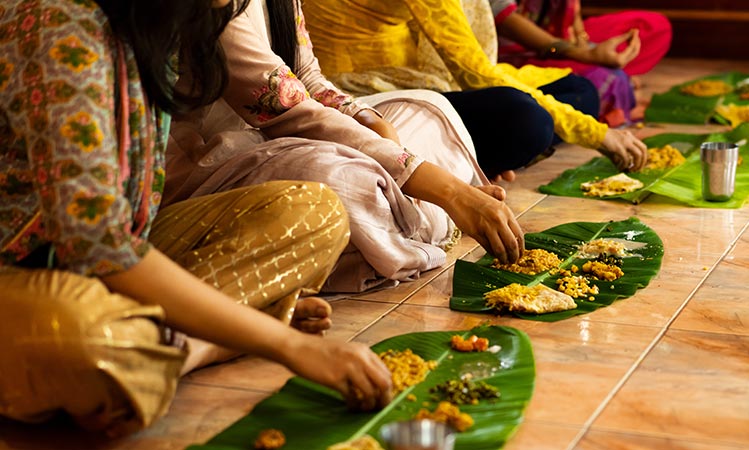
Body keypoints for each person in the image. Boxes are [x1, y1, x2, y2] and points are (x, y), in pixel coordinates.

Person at [0, 0, 391, 436]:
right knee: (87, 344)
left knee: (316, 211)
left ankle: (179, 340)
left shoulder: (158, 24)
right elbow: (95, 243)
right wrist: (287, 344)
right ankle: (214, 339)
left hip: (117, 262)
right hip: (24, 271)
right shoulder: (59, 18)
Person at [164, 0, 524, 293]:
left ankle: (396, 220)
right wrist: (450, 191)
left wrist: (368, 119)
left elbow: (307, 78)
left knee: (429, 109)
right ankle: (419, 214)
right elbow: (286, 109)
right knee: (336, 177)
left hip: (286, 136)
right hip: (214, 159)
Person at [302, 0, 649, 173]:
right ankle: (463, 159)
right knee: (529, 122)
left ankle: (471, 150)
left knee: (579, 91)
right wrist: (595, 133)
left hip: (415, 73)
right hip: (369, 96)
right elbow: (473, 71)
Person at [490, 0, 672, 126]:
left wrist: (583, 41)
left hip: (559, 38)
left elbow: (572, 14)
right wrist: (583, 54)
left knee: (655, 26)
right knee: (601, 82)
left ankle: (599, 75)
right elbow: (504, 18)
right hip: (515, 50)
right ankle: (603, 83)